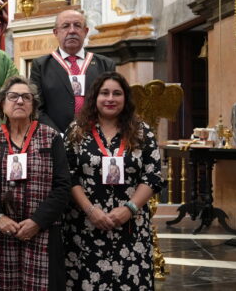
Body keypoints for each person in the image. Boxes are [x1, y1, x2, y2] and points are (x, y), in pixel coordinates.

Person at [63, 72, 162, 289]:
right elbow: (70, 177)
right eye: (104, 93)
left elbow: (152, 176)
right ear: (94, 98)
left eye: (117, 93)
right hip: (85, 227)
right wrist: (91, 211)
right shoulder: (76, 132)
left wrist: (129, 208)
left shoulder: (142, 132)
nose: (110, 98)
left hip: (131, 227)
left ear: (125, 98)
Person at [0, 76, 70, 290]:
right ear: (2, 104)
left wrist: (37, 221)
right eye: (13, 97)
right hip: (0, 232)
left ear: (34, 105)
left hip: (43, 231)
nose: (19, 101)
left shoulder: (51, 138)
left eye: (26, 97)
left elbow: (63, 186)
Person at [30, 9, 116, 133]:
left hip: (97, 137)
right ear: (56, 32)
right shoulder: (41, 66)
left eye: (77, 25)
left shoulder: (105, 65)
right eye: (65, 26)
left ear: (85, 31)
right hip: (56, 138)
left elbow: (112, 103)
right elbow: (36, 107)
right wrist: (55, 135)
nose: (72, 31)